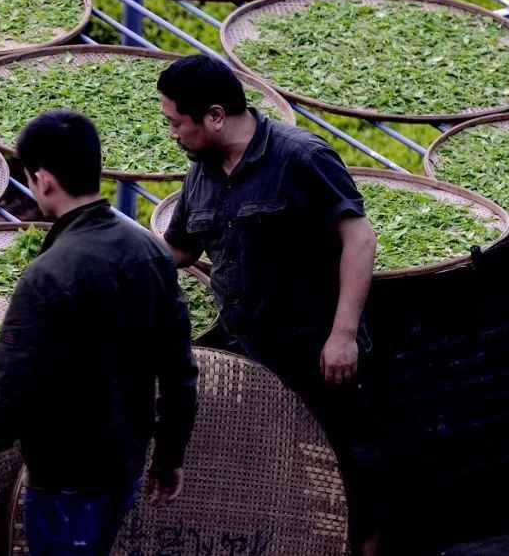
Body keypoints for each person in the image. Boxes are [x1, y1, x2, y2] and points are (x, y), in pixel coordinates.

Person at [155, 54, 380, 556]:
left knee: (348, 462)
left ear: (214, 116)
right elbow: (183, 248)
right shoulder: (202, 171)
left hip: (315, 347)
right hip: (245, 347)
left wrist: (342, 335)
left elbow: (360, 239)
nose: (172, 134)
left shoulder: (301, 157)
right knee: (269, 465)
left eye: (176, 122)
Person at [0, 110, 199, 555]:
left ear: (42, 180)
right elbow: (180, 371)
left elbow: (12, 388)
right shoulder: (150, 252)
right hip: (126, 464)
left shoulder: (48, 274)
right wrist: (170, 455)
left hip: (66, 480)